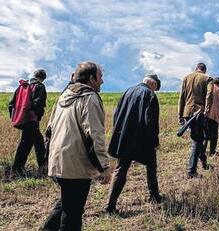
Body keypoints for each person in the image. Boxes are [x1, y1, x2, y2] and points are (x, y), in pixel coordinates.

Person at [41, 61, 111, 231]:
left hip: (57, 162)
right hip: (75, 165)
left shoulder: (63, 97)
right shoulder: (89, 98)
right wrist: (104, 167)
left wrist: (48, 158)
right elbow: (94, 136)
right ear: (91, 78)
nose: (102, 81)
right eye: (100, 77)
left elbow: (48, 131)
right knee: (72, 214)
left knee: (67, 202)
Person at [106, 74, 162, 214]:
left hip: (124, 137)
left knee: (121, 169)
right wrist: (154, 142)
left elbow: (116, 114)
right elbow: (151, 123)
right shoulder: (150, 95)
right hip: (141, 139)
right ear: (153, 85)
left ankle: (110, 205)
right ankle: (154, 196)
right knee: (151, 166)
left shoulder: (127, 91)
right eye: (156, 89)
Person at [9, 69, 47, 176]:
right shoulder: (40, 86)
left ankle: (42, 166)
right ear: (43, 78)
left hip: (23, 119)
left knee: (38, 142)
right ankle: (17, 168)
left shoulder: (22, 86)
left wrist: (17, 117)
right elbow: (39, 104)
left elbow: (11, 105)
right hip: (32, 121)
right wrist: (37, 116)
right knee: (25, 144)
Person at [178, 63, 213, 178]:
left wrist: (180, 115)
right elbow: (209, 95)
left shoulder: (186, 78)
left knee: (198, 138)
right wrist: (206, 111)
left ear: (196, 69)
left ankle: (204, 162)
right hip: (199, 113)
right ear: (204, 70)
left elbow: (181, 98)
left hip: (187, 112)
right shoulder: (208, 78)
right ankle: (191, 171)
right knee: (197, 141)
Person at [204, 77, 219, 156]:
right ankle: (212, 151)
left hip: (205, 114)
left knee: (205, 133)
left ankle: (203, 151)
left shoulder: (206, 89)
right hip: (214, 115)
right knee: (214, 133)